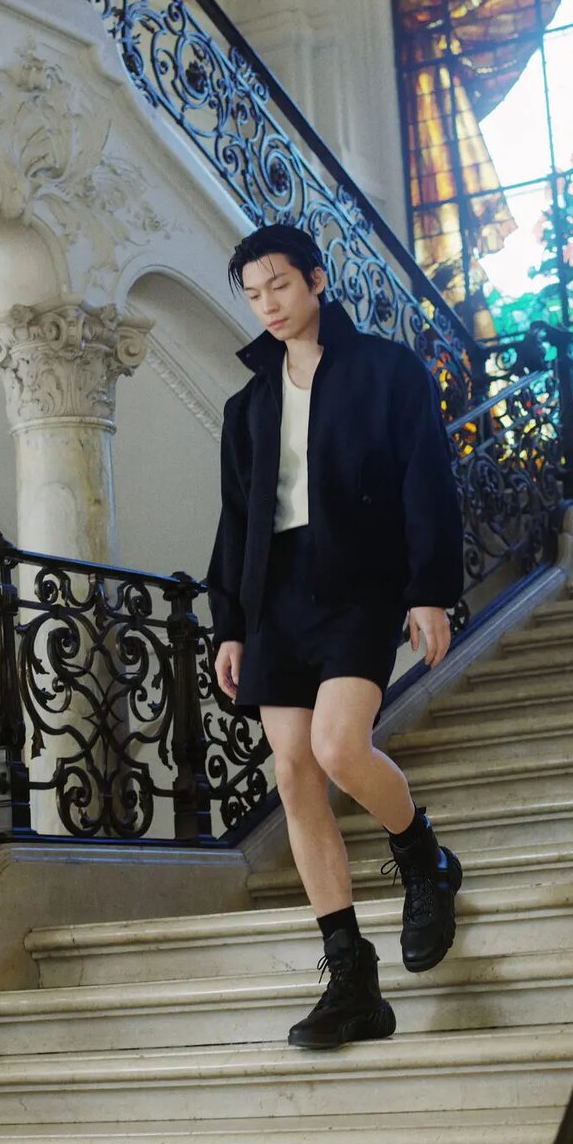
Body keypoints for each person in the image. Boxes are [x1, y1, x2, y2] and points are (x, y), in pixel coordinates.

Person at [206, 223, 465, 1051]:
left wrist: (430, 591)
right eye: (254, 294)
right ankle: (352, 979)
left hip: (358, 585)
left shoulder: (387, 371)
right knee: (292, 772)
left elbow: (427, 480)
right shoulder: (247, 406)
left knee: (339, 748)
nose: (268, 305)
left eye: (280, 285)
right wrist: (230, 624)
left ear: (317, 280)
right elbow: (236, 522)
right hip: (274, 594)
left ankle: (423, 858)